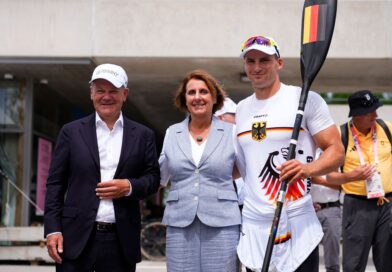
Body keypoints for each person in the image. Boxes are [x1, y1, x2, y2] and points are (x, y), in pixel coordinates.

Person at [235, 35, 345, 272]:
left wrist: (307, 169)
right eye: (250, 60)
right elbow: (243, 167)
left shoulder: (304, 99)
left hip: (298, 223)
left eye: (264, 60)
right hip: (256, 227)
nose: (256, 67)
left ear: (279, 63)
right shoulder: (241, 109)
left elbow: (336, 151)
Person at [44, 63, 160, 272]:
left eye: (113, 91)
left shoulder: (143, 135)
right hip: (76, 238)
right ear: (91, 94)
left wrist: (129, 186)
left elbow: (153, 178)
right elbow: (55, 183)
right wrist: (52, 229)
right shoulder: (71, 132)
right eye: (100, 91)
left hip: (121, 239)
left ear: (124, 94)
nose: (106, 97)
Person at [159, 69, 241, 272]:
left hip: (223, 223)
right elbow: (161, 175)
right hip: (180, 223)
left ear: (214, 98)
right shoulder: (172, 133)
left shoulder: (232, 132)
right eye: (191, 92)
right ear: (184, 99)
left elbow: (242, 170)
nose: (197, 97)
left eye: (204, 92)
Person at [325, 90, 392, 272]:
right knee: (353, 264)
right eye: (370, 112)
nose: (375, 115)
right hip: (357, 206)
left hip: (387, 203)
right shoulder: (340, 135)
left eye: (375, 109)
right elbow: (330, 176)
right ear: (356, 115)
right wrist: (351, 176)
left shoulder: (386, 128)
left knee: (388, 261)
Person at [310, 150, 341, 272]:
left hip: (331, 208)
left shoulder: (336, 155)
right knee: (307, 254)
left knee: (332, 256)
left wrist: (320, 181)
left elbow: (344, 185)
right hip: (310, 209)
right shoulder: (309, 153)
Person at [215, 97, 245, 208]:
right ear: (220, 117)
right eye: (233, 114)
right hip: (224, 202)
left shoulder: (241, 135)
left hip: (246, 202)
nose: (237, 118)